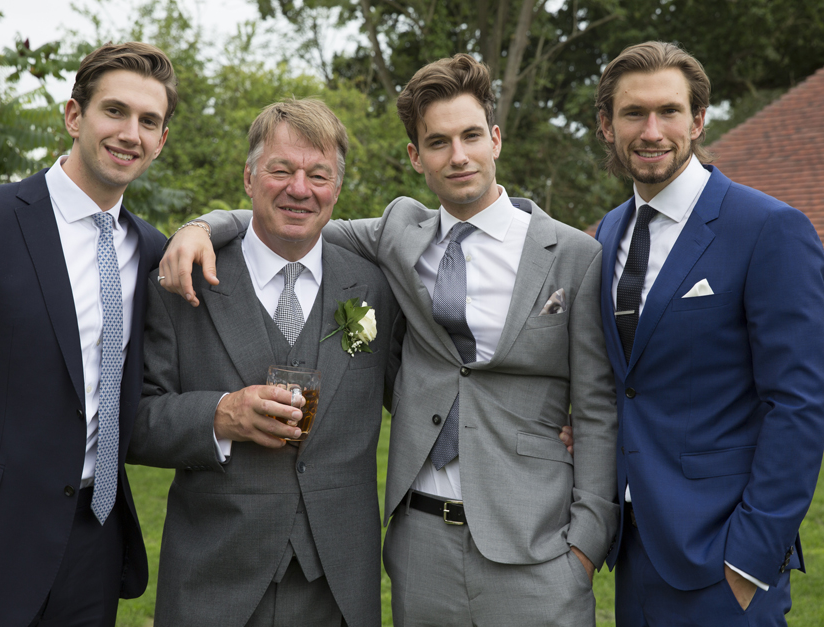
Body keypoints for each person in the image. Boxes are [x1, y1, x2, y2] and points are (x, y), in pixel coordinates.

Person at [162, 54, 617, 626]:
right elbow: (289, 217)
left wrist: (586, 545)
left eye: (471, 136)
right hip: (419, 541)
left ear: (495, 139)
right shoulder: (399, 235)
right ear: (415, 156)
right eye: (438, 141)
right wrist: (200, 226)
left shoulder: (575, 255)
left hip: (537, 545)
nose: (458, 155)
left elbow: (598, 408)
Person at [0, 42, 174, 627]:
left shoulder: (152, 251)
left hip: (93, 548)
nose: (130, 133)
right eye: (114, 111)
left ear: (161, 141)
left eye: (149, 121)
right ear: (74, 116)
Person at [127, 98, 400, 627]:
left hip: (338, 586)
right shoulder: (181, 279)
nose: (300, 189)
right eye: (281, 170)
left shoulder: (372, 287)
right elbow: (134, 422)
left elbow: (421, 388)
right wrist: (220, 416)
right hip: (216, 580)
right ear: (249, 178)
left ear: (336, 191)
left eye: (318, 175)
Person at [593, 41, 824, 625]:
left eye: (669, 111)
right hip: (632, 550)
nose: (652, 130)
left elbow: (799, 403)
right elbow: (629, 382)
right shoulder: (607, 234)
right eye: (633, 114)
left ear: (697, 121)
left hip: (723, 559)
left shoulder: (769, 228)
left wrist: (749, 559)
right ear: (606, 126)